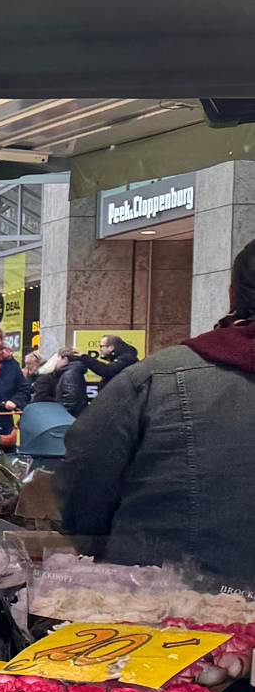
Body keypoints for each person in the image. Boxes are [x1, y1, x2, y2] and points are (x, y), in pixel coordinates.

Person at [63, 240, 255, 582]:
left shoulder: (157, 377)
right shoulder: (154, 377)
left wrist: (91, 540)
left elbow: (86, 466)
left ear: (232, 294)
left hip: (168, 608)